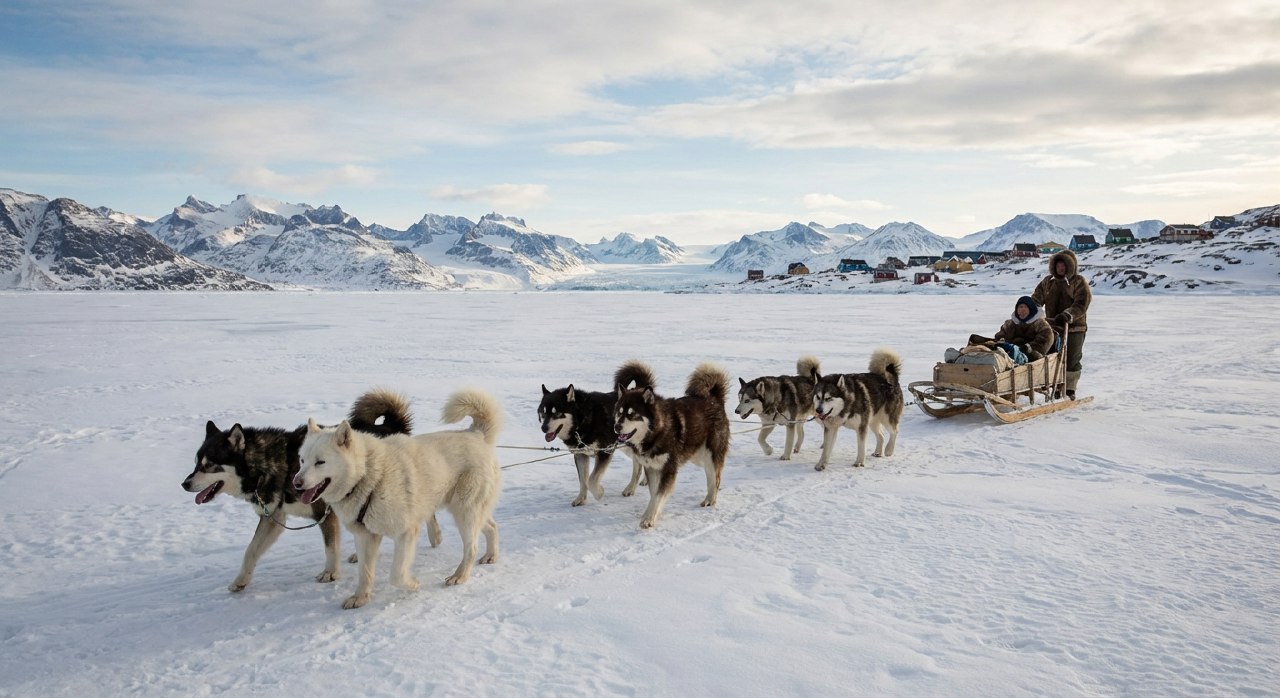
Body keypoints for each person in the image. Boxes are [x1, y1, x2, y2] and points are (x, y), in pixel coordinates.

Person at [1032, 249, 1092, 398]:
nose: (1060, 268)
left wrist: (1068, 314)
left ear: (1070, 266)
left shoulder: (1078, 281)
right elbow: (1036, 299)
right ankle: (1056, 386)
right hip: (1052, 327)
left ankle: (1070, 388)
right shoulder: (1048, 282)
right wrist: (1030, 311)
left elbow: (1081, 303)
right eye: (1058, 265)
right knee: (1053, 357)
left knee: (1072, 358)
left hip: (1074, 327)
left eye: (1064, 265)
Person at [994, 295, 1055, 361]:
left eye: (1026, 307)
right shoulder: (1010, 324)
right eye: (1020, 307)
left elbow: (1045, 340)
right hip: (1012, 352)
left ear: (1031, 309)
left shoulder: (1040, 324)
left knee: (1034, 356)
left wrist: (1028, 348)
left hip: (1031, 354)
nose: (1023, 310)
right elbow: (1001, 336)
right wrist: (1002, 342)